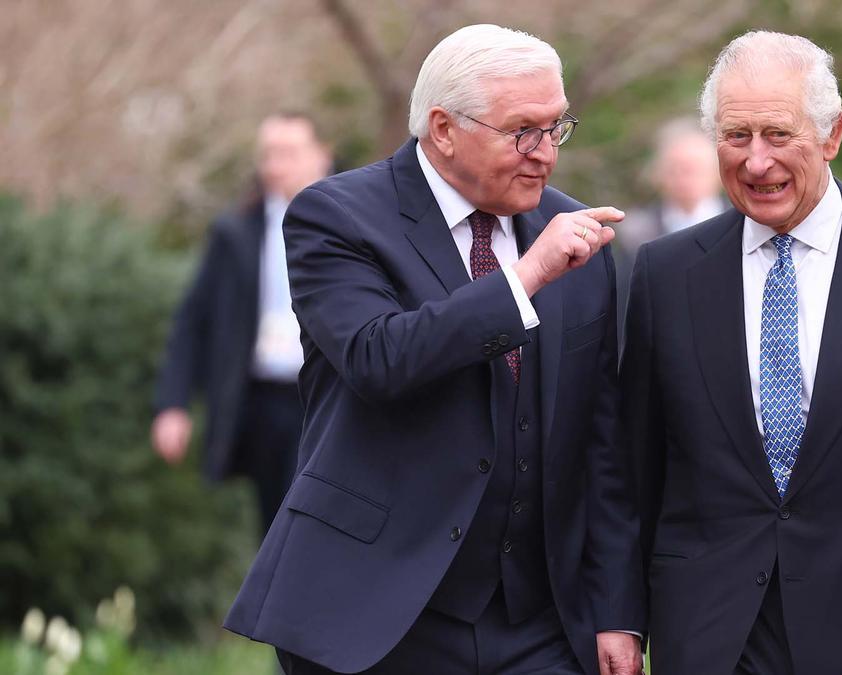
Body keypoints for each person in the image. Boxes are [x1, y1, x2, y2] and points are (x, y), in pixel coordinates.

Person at [223, 24, 645, 675]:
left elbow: (601, 443)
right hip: (375, 616)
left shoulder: (576, 240)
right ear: (444, 129)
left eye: (556, 128)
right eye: (521, 131)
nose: (544, 153)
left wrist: (618, 607)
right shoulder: (336, 215)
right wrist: (525, 277)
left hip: (539, 624)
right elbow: (380, 358)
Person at [621, 31, 842, 675]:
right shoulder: (663, 273)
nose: (756, 162)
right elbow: (629, 465)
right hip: (702, 634)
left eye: (778, 134)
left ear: (832, 135)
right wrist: (618, 613)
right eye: (736, 137)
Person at [152, 112, 332, 535]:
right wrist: (172, 404)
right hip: (265, 401)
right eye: (267, 154)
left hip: (329, 396)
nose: (274, 165)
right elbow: (194, 319)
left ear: (322, 156)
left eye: (288, 153)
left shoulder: (358, 220)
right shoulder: (235, 232)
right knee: (276, 527)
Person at [614, 119, 724, 333]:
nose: (685, 179)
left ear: (717, 172)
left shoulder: (745, 225)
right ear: (659, 174)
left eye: (694, 169)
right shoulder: (637, 234)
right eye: (677, 169)